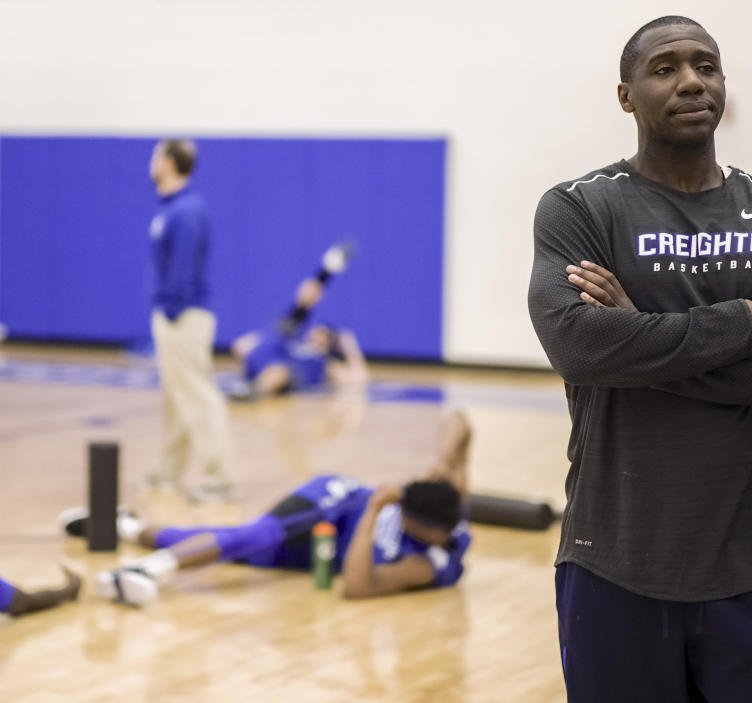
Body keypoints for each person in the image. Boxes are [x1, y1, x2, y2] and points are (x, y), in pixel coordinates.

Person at [527, 15, 752, 702]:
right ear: (626, 95)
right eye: (665, 67)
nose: (690, 81)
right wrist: (746, 321)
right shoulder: (581, 208)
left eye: (705, 65)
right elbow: (579, 346)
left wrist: (639, 337)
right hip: (616, 566)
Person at [62, 410, 471, 606]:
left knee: (233, 547)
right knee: (256, 533)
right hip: (331, 499)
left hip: (324, 548)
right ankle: (148, 571)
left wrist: (375, 510)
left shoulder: (430, 561)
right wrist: (443, 459)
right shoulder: (449, 504)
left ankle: (125, 525)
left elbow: (358, 587)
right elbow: (459, 420)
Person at [147, 139, 232, 501]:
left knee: (197, 394)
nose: (150, 162)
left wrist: (171, 309)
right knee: (175, 395)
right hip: (173, 313)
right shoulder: (172, 207)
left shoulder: (187, 210)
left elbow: (184, 268)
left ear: (166, 162)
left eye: (154, 155)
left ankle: (220, 478)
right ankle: (168, 471)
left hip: (185, 315)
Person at [229, 242, 368, 401]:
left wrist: (350, 346)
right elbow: (306, 296)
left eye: (322, 338)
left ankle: (251, 390)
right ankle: (326, 270)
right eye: (315, 333)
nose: (316, 338)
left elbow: (359, 378)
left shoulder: (322, 364)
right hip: (266, 354)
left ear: (328, 346)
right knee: (243, 344)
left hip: (279, 373)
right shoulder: (294, 338)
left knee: (278, 372)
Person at [0, 568, 81, 617]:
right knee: (31, 599)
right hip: (11, 596)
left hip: (13, 599)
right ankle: (72, 587)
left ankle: (72, 588)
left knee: (33, 600)